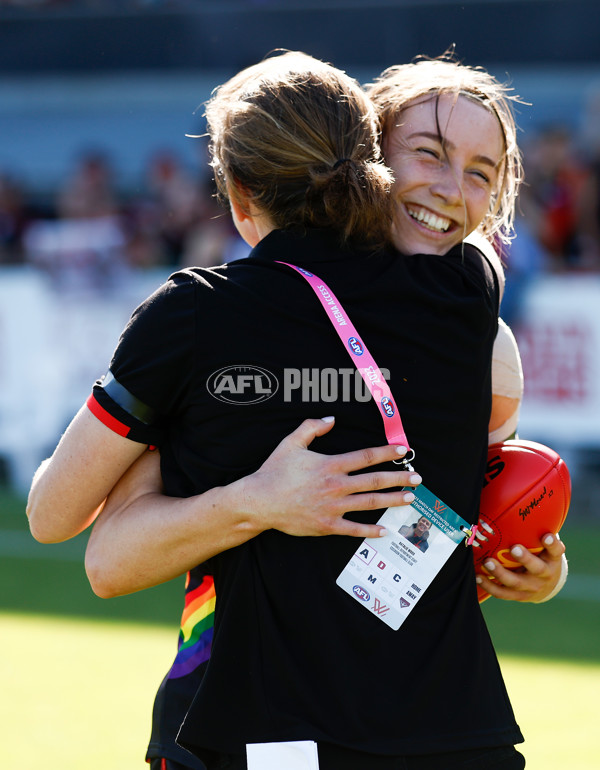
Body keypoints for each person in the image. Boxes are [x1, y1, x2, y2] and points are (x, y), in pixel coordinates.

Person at [26, 52, 566, 769]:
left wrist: (253, 501)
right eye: (428, 155)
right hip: (457, 738)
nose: (450, 190)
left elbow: (75, 535)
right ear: (367, 158)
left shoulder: (200, 316)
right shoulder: (470, 303)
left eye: (480, 173)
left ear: (236, 188)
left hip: (255, 735)